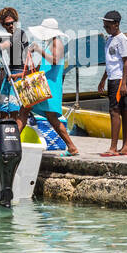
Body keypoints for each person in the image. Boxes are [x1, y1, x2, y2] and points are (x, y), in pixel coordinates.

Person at [30, 17, 80, 156]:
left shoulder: (57, 42)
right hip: (47, 83)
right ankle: (70, 147)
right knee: (47, 115)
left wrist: (38, 49)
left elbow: (55, 60)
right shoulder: (51, 42)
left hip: (51, 85)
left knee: (51, 117)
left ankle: (71, 146)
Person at [100, 10, 127, 157]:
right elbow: (111, 62)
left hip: (121, 79)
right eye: (104, 26)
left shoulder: (122, 39)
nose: (106, 28)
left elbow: (126, 61)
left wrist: (124, 82)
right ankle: (125, 147)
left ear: (116, 24)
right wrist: (103, 79)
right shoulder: (110, 39)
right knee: (122, 110)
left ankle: (114, 148)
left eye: (108, 26)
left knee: (115, 111)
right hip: (113, 77)